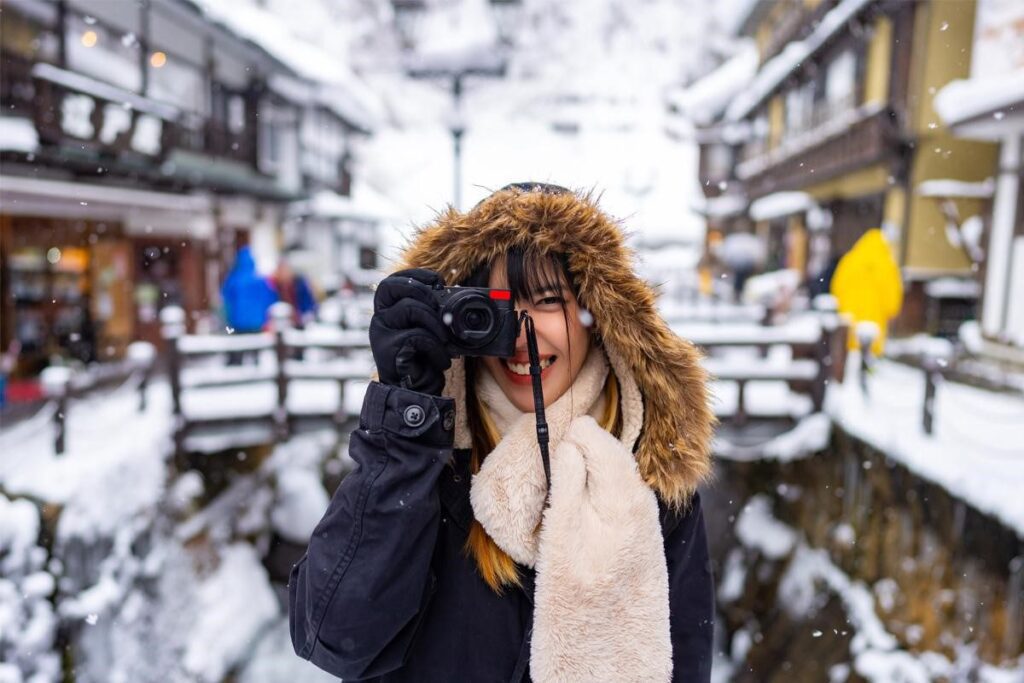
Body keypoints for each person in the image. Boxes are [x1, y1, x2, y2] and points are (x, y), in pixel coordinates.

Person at [288, 183, 716, 682]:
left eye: (549, 301)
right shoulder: (431, 462)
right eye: (493, 307)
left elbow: (685, 664)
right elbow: (335, 639)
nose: (521, 333)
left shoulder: (651, 475)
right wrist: (404, 423)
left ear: (595, 318)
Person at [220, 246, 276, 364]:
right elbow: (270, 298)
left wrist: (228, 317)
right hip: (257, 322)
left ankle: (236, 371)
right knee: (255, 349)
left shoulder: (234, 279)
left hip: (238, 322)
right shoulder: (260, 280)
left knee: (238, 349)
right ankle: (255, 370)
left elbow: (226, 299)